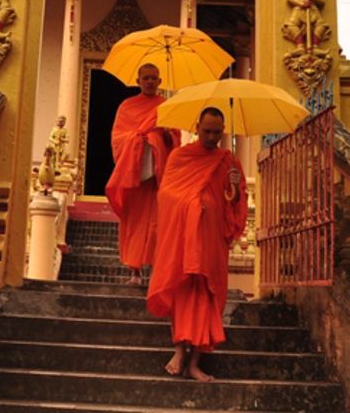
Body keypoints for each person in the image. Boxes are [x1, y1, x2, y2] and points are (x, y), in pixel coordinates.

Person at [147, 106, 246, 382]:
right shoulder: (180, 157)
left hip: (211, 240)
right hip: (183, 239)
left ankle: (194, 363)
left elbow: (235, 205)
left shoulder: (228, 161)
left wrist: (235, 189)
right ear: (197, 127)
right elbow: (166, 195)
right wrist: (192, 205)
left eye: (216, 132)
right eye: (206, 131)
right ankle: (179, 351)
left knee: (207, 297)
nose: (212, 137)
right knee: (182, 291)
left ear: (223, 131)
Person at [105, 63, 178, 284]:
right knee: (134, 225)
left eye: (154, 78)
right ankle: (134, 272)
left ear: (160, 82)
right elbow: (117, 140)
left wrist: (165, 136)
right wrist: (138, 139)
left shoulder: (166, 107)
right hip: (134, 174)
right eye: (145, 78)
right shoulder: (127, 107)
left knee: (160, 225)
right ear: (138, 81)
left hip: (157, 176)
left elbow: (176, 141)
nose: (149, 81)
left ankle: (158, 272)